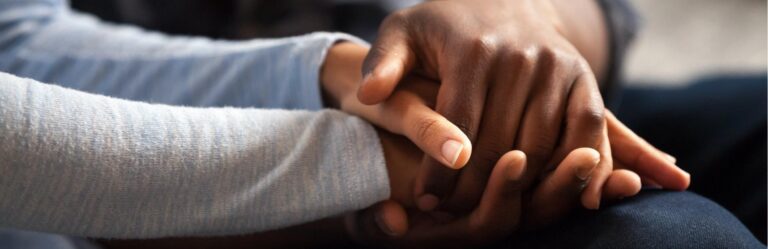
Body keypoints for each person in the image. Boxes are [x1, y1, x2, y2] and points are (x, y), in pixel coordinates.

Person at [0, 0, 762, 248]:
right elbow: (18, 42)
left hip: (417, 114)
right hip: (165, 176)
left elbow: (606, 16)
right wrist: (362, 163)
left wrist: (527, 25)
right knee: (678, 235)